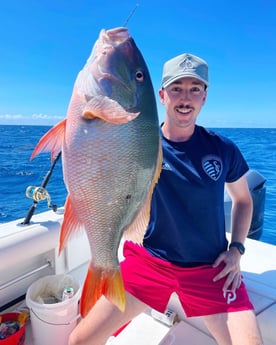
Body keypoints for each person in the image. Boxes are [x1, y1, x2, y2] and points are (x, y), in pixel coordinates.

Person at [69, 53, 263, 345]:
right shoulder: (138, 144)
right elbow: (99, 154)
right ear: (161, 95)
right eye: (176, 88)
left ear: (204, 98)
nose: (185, 97)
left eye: (194, 89)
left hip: (209, 269)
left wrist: (236, 249)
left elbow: (244, 200)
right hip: (149, 262)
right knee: (79, 341)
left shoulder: (223, 149)